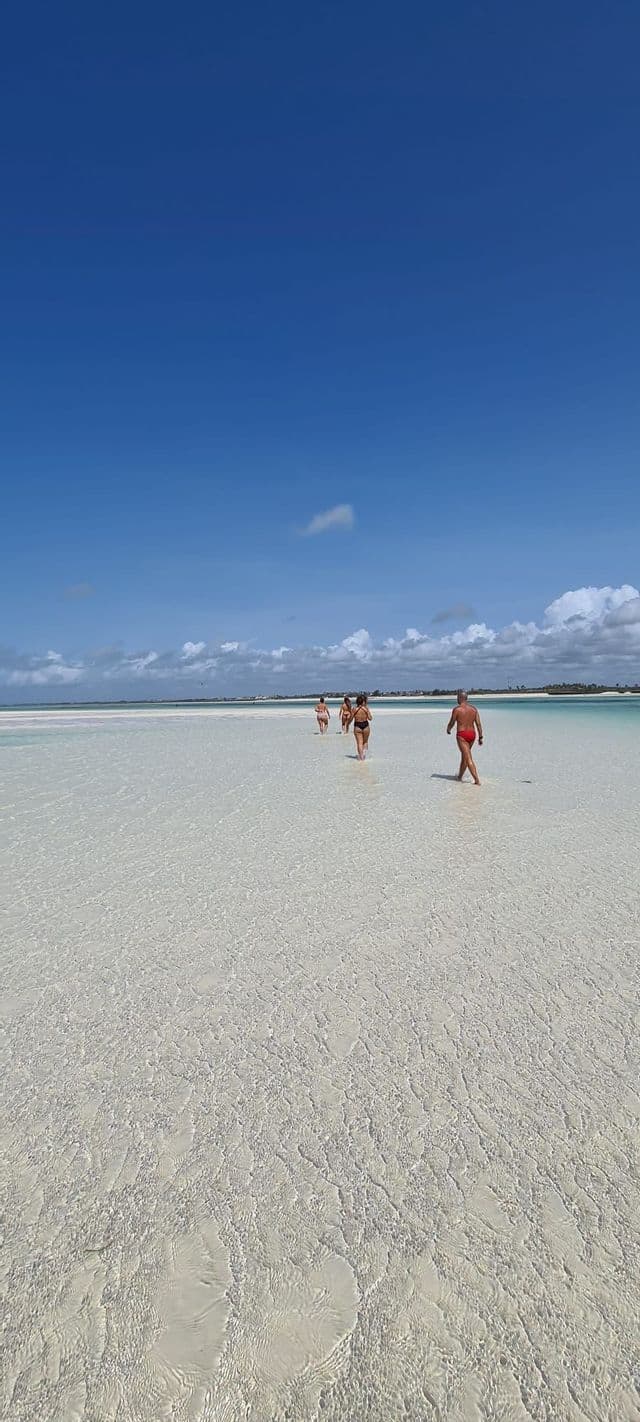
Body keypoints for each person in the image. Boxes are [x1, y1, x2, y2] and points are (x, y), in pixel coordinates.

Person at [446, 690, 483, 785]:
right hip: (472, 734)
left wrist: (448, 729)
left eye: (457, 697)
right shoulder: (474, 709)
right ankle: (459, 777)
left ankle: (477, 780)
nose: (456, 699)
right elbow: (478, 724)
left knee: (468, 758)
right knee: (464, 757)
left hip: (462, 735)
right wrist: (480, 737)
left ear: (461, 698)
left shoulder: (457, 709)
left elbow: (452, 722)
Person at [350, 693, 372, 760]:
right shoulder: (366, 708)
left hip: (357, 726)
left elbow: (351, 719)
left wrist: (347, 724)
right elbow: (370, 718)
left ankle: (361, 758)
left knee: (359, 743)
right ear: (364, 701)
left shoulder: (354, 709)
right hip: (366, 726)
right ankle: (365, 757)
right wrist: (366, 711)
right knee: (365, 742)